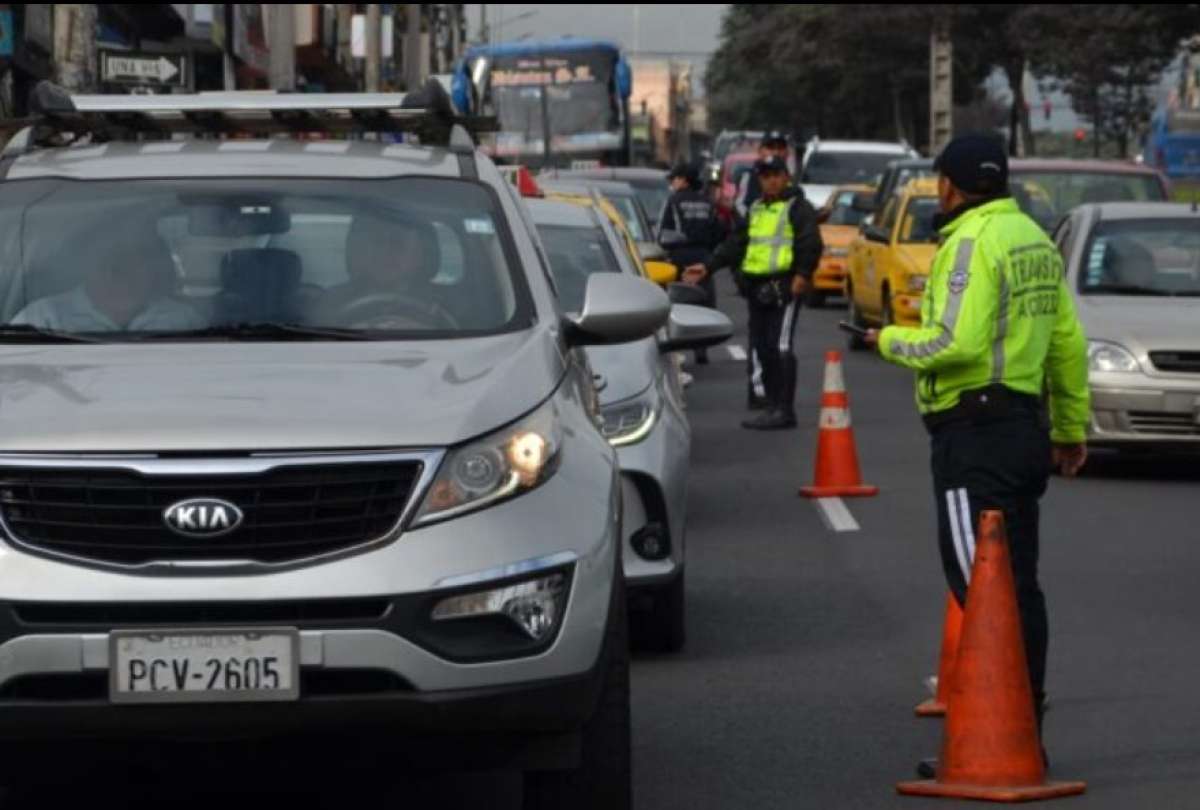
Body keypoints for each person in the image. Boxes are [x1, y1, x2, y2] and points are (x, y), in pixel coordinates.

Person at [864, 134, 1090, 774]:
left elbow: (955, 343)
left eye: (940, 180)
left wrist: (889, 340)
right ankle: (1023, 734)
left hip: (974, 435)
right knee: (1019, 587)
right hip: (1022, 429)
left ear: (951, 185)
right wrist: (1069, 428)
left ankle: (996, 742)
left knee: (983, 590)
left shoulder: (970, 241)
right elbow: (1067, 344)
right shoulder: (1034, 241)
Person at [683, 154, 822, 430]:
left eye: (776, 175)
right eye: (766, 176)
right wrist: (708, 267)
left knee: (781, 347)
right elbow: (737, 243)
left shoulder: (798, 207)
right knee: (763, 348)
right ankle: (771, 407)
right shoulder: (756, 208)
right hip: (757, 289)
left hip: (784, 286)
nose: (771, 181)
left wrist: (803, 275)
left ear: (786, 177)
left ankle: (784, 410)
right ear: (759, 180)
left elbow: (811, 242)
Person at [12, 229, 202, 333]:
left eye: (136, 258)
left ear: (153, 268)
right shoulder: (42, 318)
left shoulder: (183, 319)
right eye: (111, 257)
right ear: (86, 265)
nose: (121, 268)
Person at [320, 212, 455, 328]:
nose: (385, 251)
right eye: (377, 241)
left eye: (397, 242)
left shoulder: (447, 306)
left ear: (421, 255)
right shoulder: (330, 303)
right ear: (358, 251)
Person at [659, 161, 725, 365]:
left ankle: (676, 351)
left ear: (684, 180)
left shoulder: (673, 201)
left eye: (675, 178)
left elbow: (663, 232)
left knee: (676, 303)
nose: (672, 183)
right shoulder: (707, 202)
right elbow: (719, 231)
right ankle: (701, 348)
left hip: (678, 256)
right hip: (703, 256)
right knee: (703, 303)